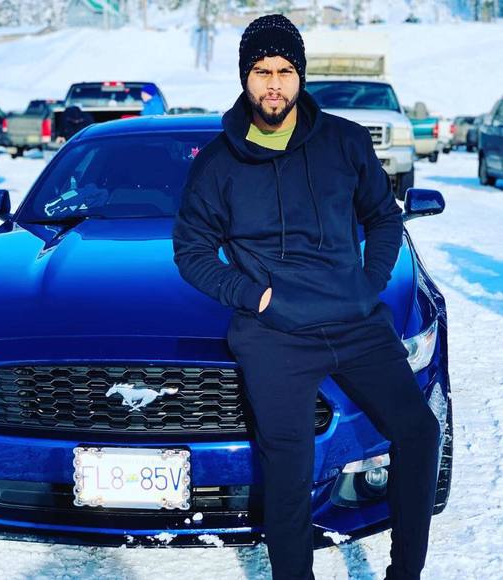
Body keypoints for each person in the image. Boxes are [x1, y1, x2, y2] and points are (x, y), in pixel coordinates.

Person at [172, 14, 440, 580]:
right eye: (262, 72)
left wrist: (367, 282)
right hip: (274, 336)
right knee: (289, 474)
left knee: (419, 431)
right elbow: (191, 252)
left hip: (356, 323)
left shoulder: (344, 141)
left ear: (301, 76)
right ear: (244, 78)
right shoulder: (218, 163)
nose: (274, 84)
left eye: (285, 71)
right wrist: (253, 296)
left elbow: (383, 217)